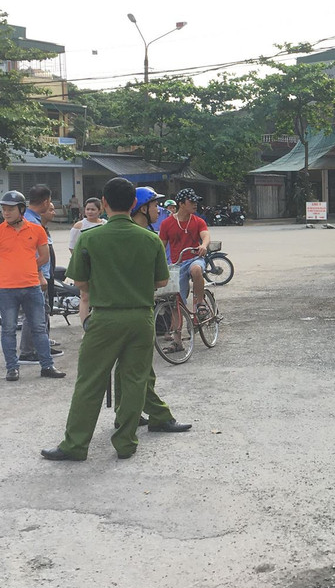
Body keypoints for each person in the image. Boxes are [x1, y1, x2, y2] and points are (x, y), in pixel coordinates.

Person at [40, 178, 171, 462]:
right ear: (134, 205)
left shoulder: (90, 237)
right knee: (135, 380)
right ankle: (125, 442)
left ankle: (75, 445)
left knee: (90, 381)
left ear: (105, 203)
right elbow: (161, 280)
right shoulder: (150, 239)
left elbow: (81, 282)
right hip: (141, 317)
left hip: (105, 318)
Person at [121, 186, 191, 434]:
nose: (158, 209)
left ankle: (127, 412)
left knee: (129, 368)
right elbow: (160, 280)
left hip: (115, 311)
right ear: (141, 208)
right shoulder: (146, 238)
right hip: (138, 310)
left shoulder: (116, 234)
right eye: (154, 205)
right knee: (142, 370)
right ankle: (158, 416)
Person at [0, 190, 67, 382]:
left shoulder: (36, 230)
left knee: (39, 327)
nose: (6, 212)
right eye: (4, 209)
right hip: (6, 289)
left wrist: (28, 268)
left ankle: (47, 366)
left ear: (21, 209)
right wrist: (2, 270)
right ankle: (12, 368)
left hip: (32, 287)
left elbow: (44, 256)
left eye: (10, 209)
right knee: (8, 329)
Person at [19, 185, 62, 362]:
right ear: (45, 201)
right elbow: (31, 253)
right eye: (49, 202)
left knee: (42, 312)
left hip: (41, 274)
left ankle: (41, 346)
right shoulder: (31, 223)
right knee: (34, 314)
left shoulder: (33, 219)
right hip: (35, 276)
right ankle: (28, 352)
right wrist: (39, 275)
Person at [158, 188, 210, 322]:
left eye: (196, 201)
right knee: (177, 303)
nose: (195, 204)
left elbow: (205, 235)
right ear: (181, 204)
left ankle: (200, 303)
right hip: (177, 265)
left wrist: (203, 245)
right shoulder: (167, 224)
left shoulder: (198, 221)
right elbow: (160, 245)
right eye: (191, 201)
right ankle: (177, 339)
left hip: (194, 258)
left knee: (196, 269)